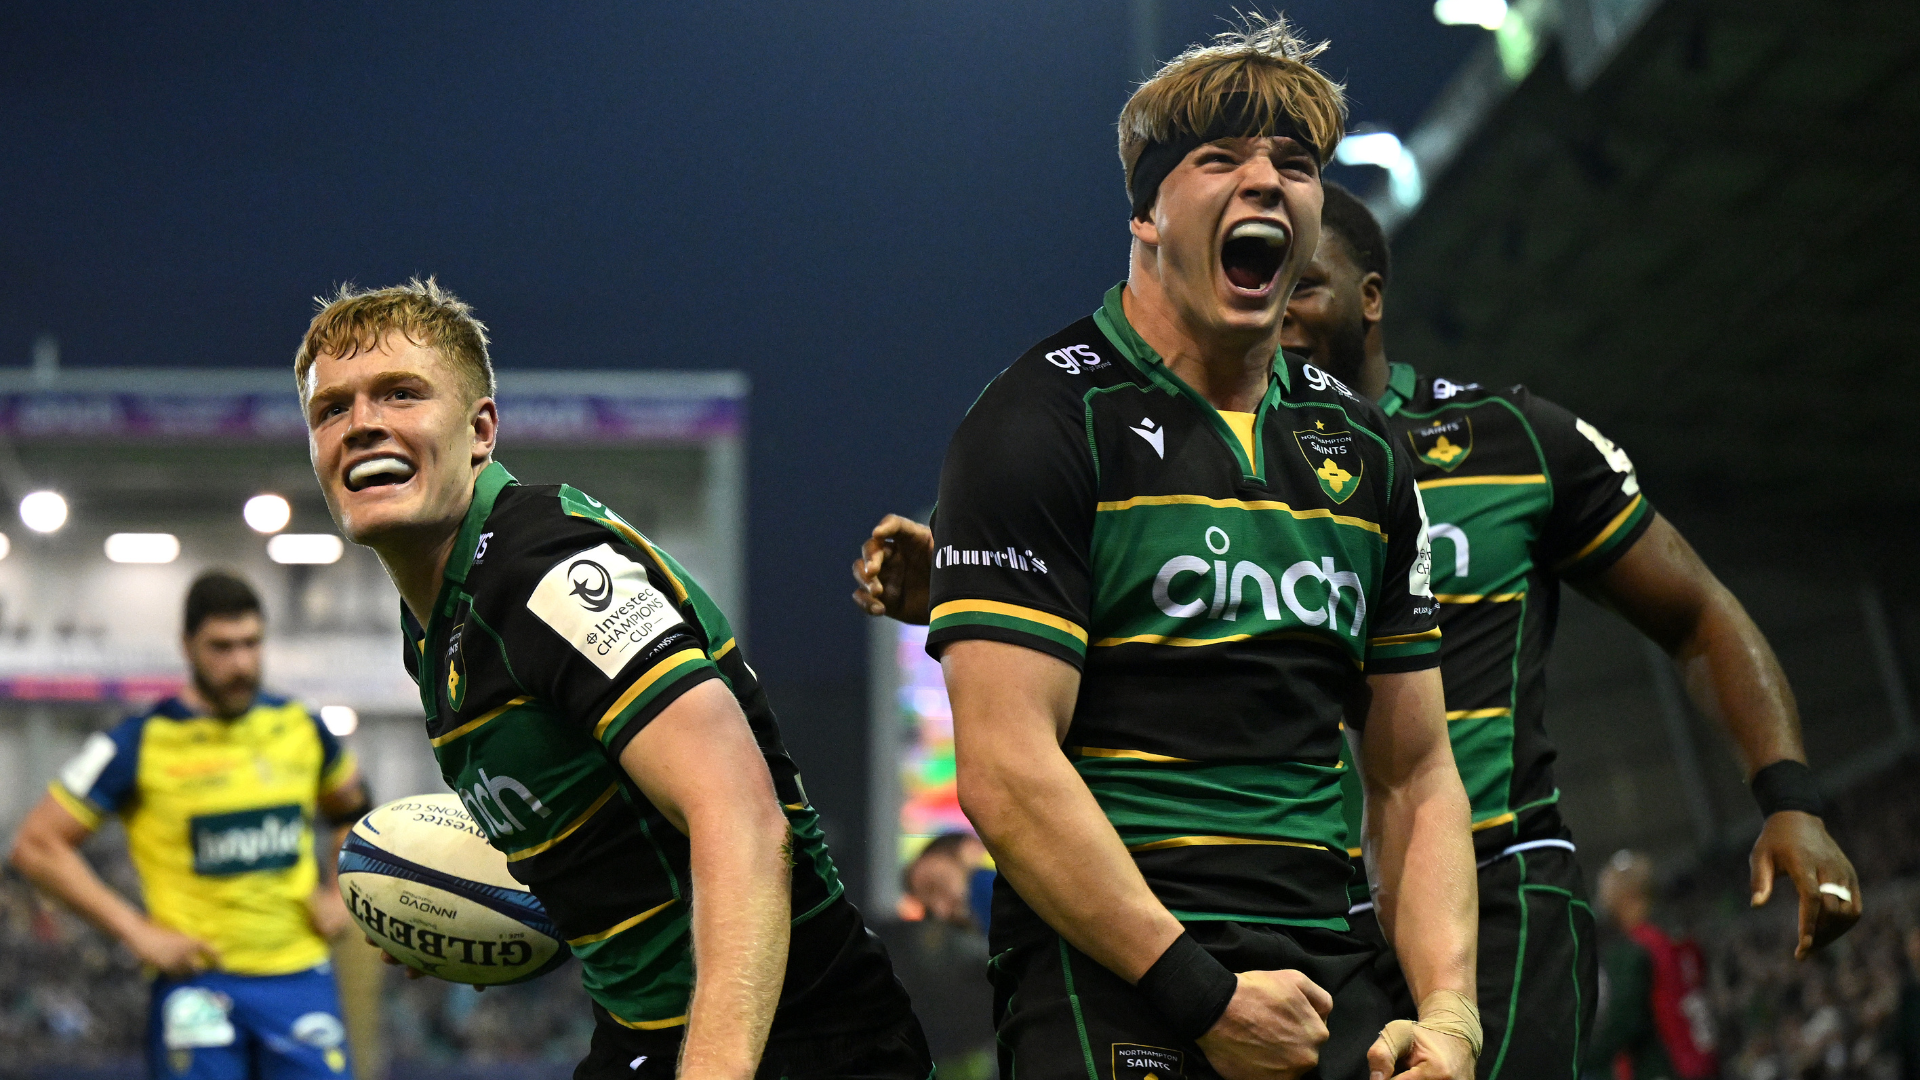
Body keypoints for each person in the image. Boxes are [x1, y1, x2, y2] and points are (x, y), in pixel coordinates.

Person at [852, 180, 1864, 1079]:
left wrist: (1791, 799)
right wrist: (961, 587)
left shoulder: (1516, 444)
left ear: (1370, 297)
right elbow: (1114, 616)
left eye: (1307, 285)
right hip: (1315, 891)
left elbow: (1697, 612)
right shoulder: (1180, 449)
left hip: (1493, 875)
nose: (1278, 308)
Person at [880, 18, 1482, 1080]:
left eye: (1293, 166)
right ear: (1149, 213)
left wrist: (1446, 1016)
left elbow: (1416, 774)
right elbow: (1007, 773)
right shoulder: (1038, 423)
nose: (1265, 184)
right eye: (1220, 161)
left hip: (1322, 982)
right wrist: (1204, 998)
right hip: (1111, 979)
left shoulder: (1367, 454)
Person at [294, 278, 930, 1080]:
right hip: (644, 1033)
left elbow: (743, 821)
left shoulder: (546, 570)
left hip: (795, 1037)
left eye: (400, 394)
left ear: (481, 428)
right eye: (332, 410)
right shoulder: (434, 625)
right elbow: (616, 849)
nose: (362, 426)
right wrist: (454, 908)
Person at [8, 571, 371, 1079]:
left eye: (251, 644)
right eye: (221, 647)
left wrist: (341, 891)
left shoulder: (301, 727)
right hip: (197, 985)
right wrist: (136, 933)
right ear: (187, 646)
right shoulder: (139, 741)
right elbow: (37, 845)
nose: (241, 663)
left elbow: (352, 810)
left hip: (299, 979)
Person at [1585, 852, 1718, 1080]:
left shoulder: (1634, 950)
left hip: (1665, 1068)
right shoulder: (1679, 940)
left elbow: (1625, 1023)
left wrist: (1580, 1058)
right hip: (1706, 1065)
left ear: (1626, 894)